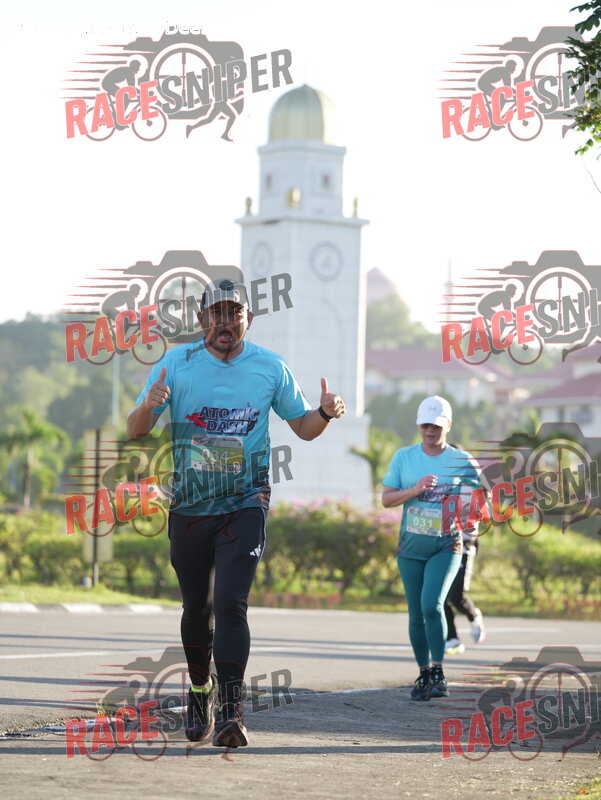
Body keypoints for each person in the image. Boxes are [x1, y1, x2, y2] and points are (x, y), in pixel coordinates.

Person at [126, 278, 345, 748]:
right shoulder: (176, 364)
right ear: (203, 318)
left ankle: (231, 712)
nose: (226, 322)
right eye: (218, 313)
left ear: (249, 318)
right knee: (196, 609)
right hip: (191, 504)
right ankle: (198, 690)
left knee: (230, 603)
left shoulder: (270, 366)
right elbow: (135, 429)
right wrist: (149, 405)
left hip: (246, 501)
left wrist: (325, 413)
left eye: (235, 313)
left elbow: (303, 427)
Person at [381, 396, 482, 701]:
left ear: (448, 425)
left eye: (436, 425)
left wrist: (469, 512)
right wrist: (414, 489)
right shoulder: (404, 457)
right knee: (415, 614)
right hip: (410, 548)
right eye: (425, 424)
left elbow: (480, 503)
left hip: (446, 546)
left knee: (431, 605)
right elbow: (386, 499)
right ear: (418, 425)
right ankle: (424, 672)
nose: (430, 430)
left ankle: (438, 671)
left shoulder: (462, 460)